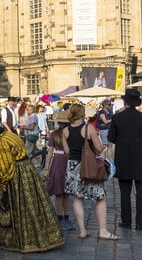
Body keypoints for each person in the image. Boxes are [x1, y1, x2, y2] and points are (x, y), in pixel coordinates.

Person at [0, 117, 64, 252]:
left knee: (18, 204)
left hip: (16, 173)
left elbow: (6, 168)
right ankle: (44, 236)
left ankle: (24, 240)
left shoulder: (1, 143)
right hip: (27, 169)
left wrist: (2, 186)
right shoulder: (10, 135)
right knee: (32, 203)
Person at [62, 103, 116, 240]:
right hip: (88, 165)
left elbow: (67, 151)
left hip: (72, 166)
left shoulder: (65, 131)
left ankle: (82, 231)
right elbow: (98, 148)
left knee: (77, 197)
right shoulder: (88, 128)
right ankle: (103, 230)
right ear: (82, 113)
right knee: (100, 196)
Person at [109, 88, 142, 231]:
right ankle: (140, 222)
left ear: (125, 102)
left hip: (123, 157)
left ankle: (126, 221)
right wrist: (140, 144)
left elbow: (111, 137)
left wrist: (123, 142)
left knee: (125, 193)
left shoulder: (117, 118)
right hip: (141, 157)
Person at [43, 111, 73, 230]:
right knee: (65, 192)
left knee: (59, 192)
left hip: (58, 162)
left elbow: (49, 152)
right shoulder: (70, 133)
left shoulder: (54, 134)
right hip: (67, 161)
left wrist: (46, 168)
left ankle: (62, 217)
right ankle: (65, 217)